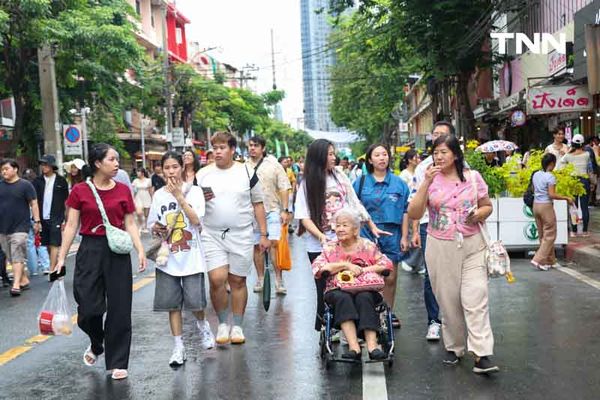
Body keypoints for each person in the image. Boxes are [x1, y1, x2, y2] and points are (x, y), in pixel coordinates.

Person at [54, 143, 146, 380]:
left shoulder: (124, 190)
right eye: (112, 160)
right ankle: (97, 344)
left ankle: (117, 362)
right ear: (97, 163)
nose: (117, 164)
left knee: (119, 308)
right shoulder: (80, 191)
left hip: (117, 251)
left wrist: (140, 250)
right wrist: (61, 258)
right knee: (87, 309)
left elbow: (130, 223)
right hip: (90, 249)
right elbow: (72, 225)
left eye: (117, 160)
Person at [408, 134, 499, 374]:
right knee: (449, 301)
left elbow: (487, 205)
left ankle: (481, 354)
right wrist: (426, 183)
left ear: (456, 154)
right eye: (435, 152)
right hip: (440, 245)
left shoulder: (473, 178)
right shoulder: (429, 179)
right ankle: (456, 346)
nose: (438, 156)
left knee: (476, 297)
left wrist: (481, 213)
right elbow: (415, 212)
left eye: (443, 152)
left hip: (473, 244)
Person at [294, 138, 387, 331]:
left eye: (333, 153)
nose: (333, 157)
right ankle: (329, 327)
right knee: (326, 288)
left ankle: (352, 325)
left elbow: (354, 203)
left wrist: (370, 224)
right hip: (322, 245)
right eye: (329, 154)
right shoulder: (307, 183)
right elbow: (304, 217)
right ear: (319, 157)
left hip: (348, 242)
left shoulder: (340, 176)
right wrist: (321, 236)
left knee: (352, 284)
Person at [196, 132, 270, 345]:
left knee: (237, 280)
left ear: (232, 150)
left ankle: (237, 325)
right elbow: (194, 203)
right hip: (211, 233)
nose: (217, 152)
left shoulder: (247, 171)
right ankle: (221, 324)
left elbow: (258, 203)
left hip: (241, 233)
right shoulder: (202, 175)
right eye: (215, 148)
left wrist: (263, 234)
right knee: (217, 278)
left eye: (222, 147)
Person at [148, 151, 214, 366]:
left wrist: (179, 196)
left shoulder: (194, 191)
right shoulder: (158, 195)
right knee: (172, 305)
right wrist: (156, 228)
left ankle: (203, 326)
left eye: (174, 167)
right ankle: (178, 347)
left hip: (191, 256)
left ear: (182, 168)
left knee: (196, 302)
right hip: (168, 260)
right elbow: (152, 224)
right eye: (166, 168)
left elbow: (196, 221)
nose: (170, 171)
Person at [312, 208, 393, 360]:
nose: (340, 229)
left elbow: (386, 264)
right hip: (337, 289)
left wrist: (363, 270)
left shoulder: (367, 246)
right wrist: (345, 266)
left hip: (365, 288)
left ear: (356, 230)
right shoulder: (330, 247)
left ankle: (372, 346)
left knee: (364, 297)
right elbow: (318, 268)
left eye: (345, 225)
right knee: (343, 298)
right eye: (338, 225)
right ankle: (354, 347)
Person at [353, 143, 409, 328]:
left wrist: (404, 236)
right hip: (366, 234)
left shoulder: (399, 183)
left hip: (392, 234)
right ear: (370, 159)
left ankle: (388, 312)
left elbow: (405, 211)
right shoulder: (360, 182)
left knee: (390, 277)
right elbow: (353, 209)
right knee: (366, 276)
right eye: (377, 155)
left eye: (384, 154)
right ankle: (369, 314)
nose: (382, 158)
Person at [413, 121, 453, 341]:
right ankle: (434, 320)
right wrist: (414, 230)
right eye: (435, 135)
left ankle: (453, 318)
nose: (437, 138)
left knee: (457, 273)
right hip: (430, 224)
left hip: (457, 226)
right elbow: (416, 202)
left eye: (443, 135)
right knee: (432, 274)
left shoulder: (463, 167)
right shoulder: (423, 168)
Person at [247, 137, 292, 294]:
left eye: (256, 145)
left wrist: (285, 210)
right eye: (250, 145)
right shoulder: (243, 167)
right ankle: (260, 278)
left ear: (263, 148)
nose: (252, 148)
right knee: (257, 247)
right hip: (251, 213)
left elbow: (284, 187)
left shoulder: (274, 165)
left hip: (272, 209)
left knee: (273, 244)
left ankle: (279, 280)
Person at [0, 159, 40, 296]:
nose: (3, 171)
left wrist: (37, 221)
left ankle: (16, 284)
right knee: (10, 255)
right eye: (2, 169)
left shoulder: (25, 185)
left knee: (17, 253)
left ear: (15, 169)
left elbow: (33, 204)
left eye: (6, 168)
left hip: (21, 227)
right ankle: (23, 279)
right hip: (3, 227)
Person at [531, 154, 574, 270]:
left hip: (535, 205)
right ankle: (538, 260)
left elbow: (533, 189)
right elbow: (552, 194)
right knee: (550, 234)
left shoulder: (536, 174)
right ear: (552, 164)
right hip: (546, 206)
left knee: (542, 235)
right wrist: (566, 198)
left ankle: (549, 260)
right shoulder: (550, 177)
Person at [33, 155, 69, 275]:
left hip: (57, 216)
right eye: (42, 164)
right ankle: (53, 262)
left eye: (46, 164)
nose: (44, 167)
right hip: (42, 217)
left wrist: (65, 219)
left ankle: (52, 268)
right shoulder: (37, 181)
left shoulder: (61, 181)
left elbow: (66, 201)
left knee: (54, 242)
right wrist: (36, 219)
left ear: (52, 166)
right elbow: (33, 201)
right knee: (47, 243)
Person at [558, 134, 591, 237]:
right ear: (582, 144)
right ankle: (585, 231)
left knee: (573, 206)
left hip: (572, 181)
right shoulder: (587, 154)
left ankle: (574, 231)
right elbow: (591, 169)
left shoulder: (568, 156)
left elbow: (559, 167)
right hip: (584, 181)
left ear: (572, 143)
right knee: (585, 207)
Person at [399, 150, 425, 274]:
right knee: (412, 234)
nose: (418, 159)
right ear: (409, 160)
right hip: (409, 207)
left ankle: (416, 263)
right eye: (416, 157)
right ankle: (410, 261)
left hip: (419, 205)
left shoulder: (420, 171)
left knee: (418, 233)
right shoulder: (404, 175)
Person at [23, 168, 50, 276]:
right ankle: (46, 266)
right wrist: (37, 220)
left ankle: (33, 270)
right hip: (37, 216)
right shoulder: (36, 186)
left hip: (25, 217)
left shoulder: (22, 186)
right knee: (40, 242)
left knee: (30, 243)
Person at [132, 168, 152, 233]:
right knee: (139, 213)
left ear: (142, 173)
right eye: (137, 172)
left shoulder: (148, 180)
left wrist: (152, 198)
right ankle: (139, 227)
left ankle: (145, 227)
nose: (137, 173)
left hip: (146, 196)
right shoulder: (135, 180)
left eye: (138, 172)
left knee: (146, 214)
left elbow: (150, 190)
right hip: (138, 197)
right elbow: (133, 190)